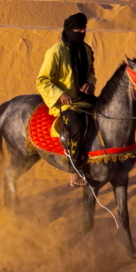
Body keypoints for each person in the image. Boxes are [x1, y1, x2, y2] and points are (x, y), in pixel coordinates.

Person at [36, 12, 97, 187]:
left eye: (84, 29)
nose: (81, 32)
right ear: (69, 30)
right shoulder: (56, 51)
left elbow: (91, 74)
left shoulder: (85, 50)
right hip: (65, 103)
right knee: (76, 127)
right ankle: (75, 171)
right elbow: (42, 80)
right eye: (77, 29)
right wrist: (60, 94)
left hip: (84, 98)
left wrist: (89, 83)